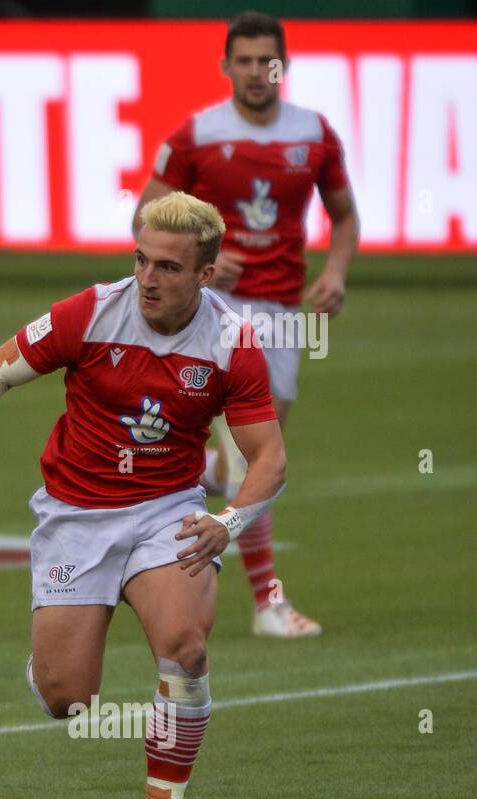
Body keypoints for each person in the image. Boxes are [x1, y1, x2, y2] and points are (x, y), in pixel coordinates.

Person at [0, 192, 286, 799]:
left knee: (186, 647)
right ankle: (49, 663)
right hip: (75, 515)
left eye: (169, 267)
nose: (148, 278)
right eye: (142, 260)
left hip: (168, 512)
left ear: (205, 274)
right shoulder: (91, 312)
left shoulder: (232, 341)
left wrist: (227, 521)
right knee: (68, 699)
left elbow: (270, 459)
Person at [134, 10, 359, 638]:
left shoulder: (314, 134)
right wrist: (195, 255)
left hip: (283, 313)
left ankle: (182, 467)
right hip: (216, 308)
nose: (256, 72)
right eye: (245, 60)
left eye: (268, 61)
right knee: (260, 459)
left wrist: (336, 271)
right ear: (226, 65)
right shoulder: (198, 134)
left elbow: (344, 215)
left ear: (281, 67)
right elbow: (146, 213)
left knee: (249, 456)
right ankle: (268, 602)